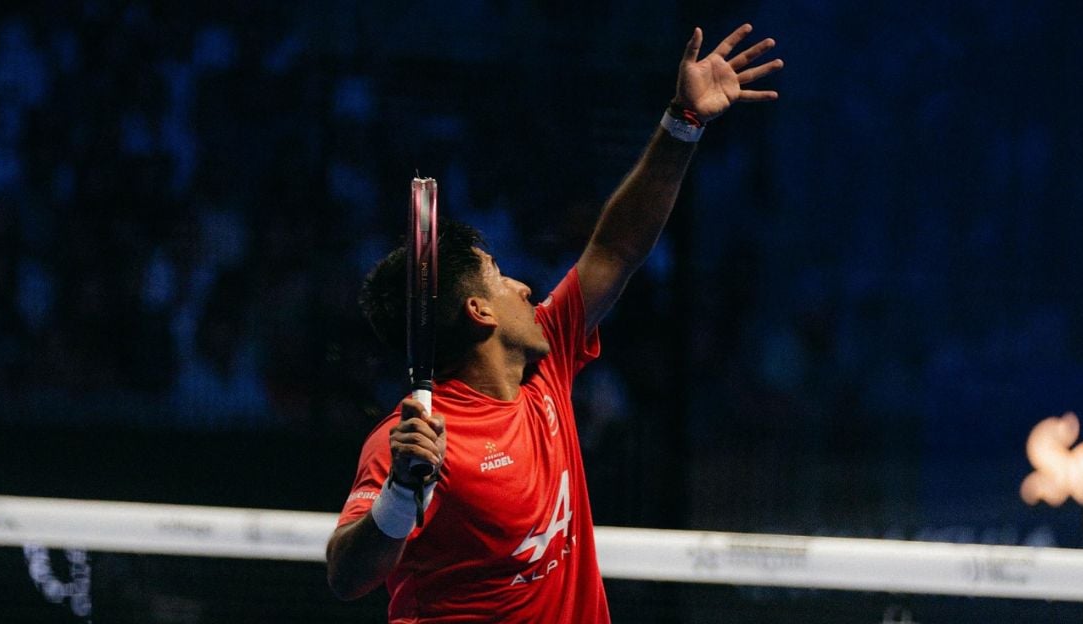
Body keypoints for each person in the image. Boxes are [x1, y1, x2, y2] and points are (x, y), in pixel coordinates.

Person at [326, 24, 783, 622]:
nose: (523, 285)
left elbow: (616, 248)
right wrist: (398, 498)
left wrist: (683, 123)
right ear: (479, 311)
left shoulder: (545, 364)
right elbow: (346, 575)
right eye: (500, 276)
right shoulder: (415, 441)